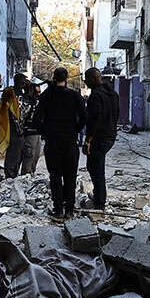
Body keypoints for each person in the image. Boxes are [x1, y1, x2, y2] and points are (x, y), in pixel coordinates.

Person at [34, 67, 87, 219]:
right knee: (70, 176)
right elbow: (84, 117)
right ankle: (69, 209)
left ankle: (58, 209)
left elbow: (37, 119)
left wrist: (45, 132)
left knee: (55, 176)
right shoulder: (74, 96)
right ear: (66, 78)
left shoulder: (46, 96)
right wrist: (75, 130)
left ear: (54, 77)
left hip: (53, 141)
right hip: (69, 140)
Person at [82, 68, 119, 211]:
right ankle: (98, 196)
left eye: (86, 78)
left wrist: (88, 141)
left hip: (99, 137)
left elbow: (94, 120)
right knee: (95, 167)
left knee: (96, 169)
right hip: (110, 136)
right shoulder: (113, 94)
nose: (85, 81)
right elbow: (117, 114)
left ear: (92, 79)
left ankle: (100, 202)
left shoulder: (96, 96)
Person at [2, 73, 28, 178]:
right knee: (13, 153)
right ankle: (10, 174)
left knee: (18, 153)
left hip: (15, 128)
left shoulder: (19, 93)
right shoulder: (14, 95)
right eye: (24, 81)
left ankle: (13, 173)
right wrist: (19, 131)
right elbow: (15, 115)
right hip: (14, 128)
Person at [20, 84, 42, 175]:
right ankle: (26, 175)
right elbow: (21, 118)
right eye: (36, 92)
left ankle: (31, 173)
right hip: (29, 133)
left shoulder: (36, 102)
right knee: (30, 155)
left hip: (37, 132)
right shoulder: (25, 102)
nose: (38, 94)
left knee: (36, 156)